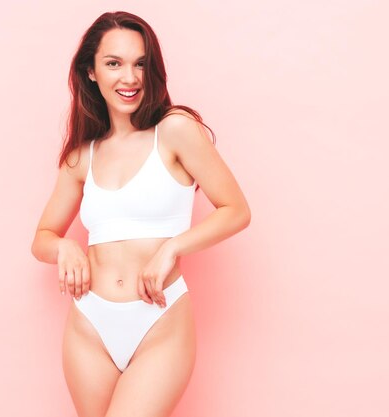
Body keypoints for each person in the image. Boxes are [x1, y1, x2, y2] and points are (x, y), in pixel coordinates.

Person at [30, 11, 251, 417]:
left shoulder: (176, 130)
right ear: (91, 72)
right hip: (89, 325)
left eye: (140, 63)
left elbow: (236, 210)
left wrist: (173, 249)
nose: (129, 77)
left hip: (159, 320)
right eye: (113, 63)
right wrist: (64, 247)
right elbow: (42, 236)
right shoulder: (83, 154)